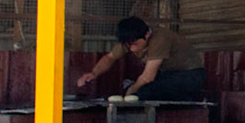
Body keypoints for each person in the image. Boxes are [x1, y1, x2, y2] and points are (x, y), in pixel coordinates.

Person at [75, 16, 206, 101]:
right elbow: (110, 57)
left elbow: (147, 77)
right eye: (128, 45)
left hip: (190, 75)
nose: (131, 49)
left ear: (147, 34)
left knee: (143, 93)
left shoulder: (160, 39)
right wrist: (94, 73)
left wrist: (131, 91)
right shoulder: (130, 40)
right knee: (135, 91)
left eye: (135, 44)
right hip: (167, 75)